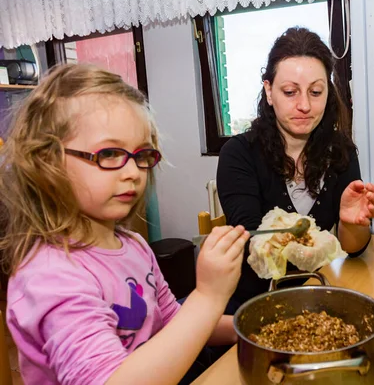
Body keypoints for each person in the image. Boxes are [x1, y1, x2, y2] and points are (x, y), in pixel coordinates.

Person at [0, 64, 249, 385]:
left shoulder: (133, 246)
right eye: (110, 153)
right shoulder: (49, 276)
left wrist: (249, 330)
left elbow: (174, 322)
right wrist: (207, 297)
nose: (133, 171)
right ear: (47, 163)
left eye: (142, 154)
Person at [217, 27, 374, 307]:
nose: (304, 105)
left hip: (316, 294)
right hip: (255, 303)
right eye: (290, 92)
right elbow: (256, 244)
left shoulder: (340, 152)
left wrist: (349, 223)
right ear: (269, 91)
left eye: (316, 91)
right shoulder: (239, 154)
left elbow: (354, 249)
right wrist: (319, 244)